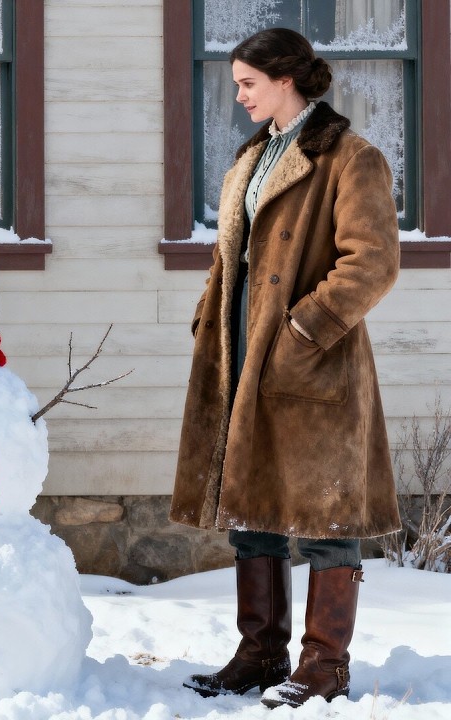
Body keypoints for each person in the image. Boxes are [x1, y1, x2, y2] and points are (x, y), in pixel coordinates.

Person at [170, 28, 401, 709]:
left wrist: (304, 328)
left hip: (310, 359)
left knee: (327, 516)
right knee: (253, 504)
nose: (237, 94)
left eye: (247, 82)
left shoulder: (348, 158)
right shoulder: (254, 156)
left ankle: (324, 664)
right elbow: (234, 260)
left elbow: (373, 263)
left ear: (285, 78)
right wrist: (210, 317)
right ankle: (261, 651)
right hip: (242, 350)